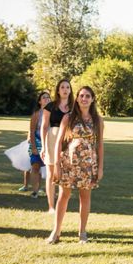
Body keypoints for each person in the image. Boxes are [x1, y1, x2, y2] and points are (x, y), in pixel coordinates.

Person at [46, 86, 104, 244]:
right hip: (69, 163)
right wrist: (57, 164)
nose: (84, 98)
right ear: (77, 98)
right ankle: (56, 232)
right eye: (81, 96)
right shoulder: (68, 117)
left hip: (88, 164)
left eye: (87, 96)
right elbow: (58, 142)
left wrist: (100, 168)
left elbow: (100, 145)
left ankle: (82, 233)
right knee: (63, 196)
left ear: (92, 99)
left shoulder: (98, 120)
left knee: (84, 197)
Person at [40, 79, 73, 213]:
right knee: (51, 174)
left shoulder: (74, 107)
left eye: (67, 87)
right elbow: (43, 127)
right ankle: (51, 207)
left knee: (65, 173)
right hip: (52, 139)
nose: (65, 90)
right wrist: (43, 146)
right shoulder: (50, 106)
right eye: (62, 87)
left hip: (69, 140)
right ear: (58, 90)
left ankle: (62, 204)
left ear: (70, 90)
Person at [28, 91, 51, 198]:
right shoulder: (36, 114)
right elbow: (32, 131)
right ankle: (35, 191)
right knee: (35, 166)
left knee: (48, 167)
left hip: (49, 142)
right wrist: (33, 147)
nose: (46, 99)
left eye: (48, 97)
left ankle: (46, 190)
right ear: (39, 101)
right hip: (37, 142)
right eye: (44, 97)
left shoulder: (53, 113)